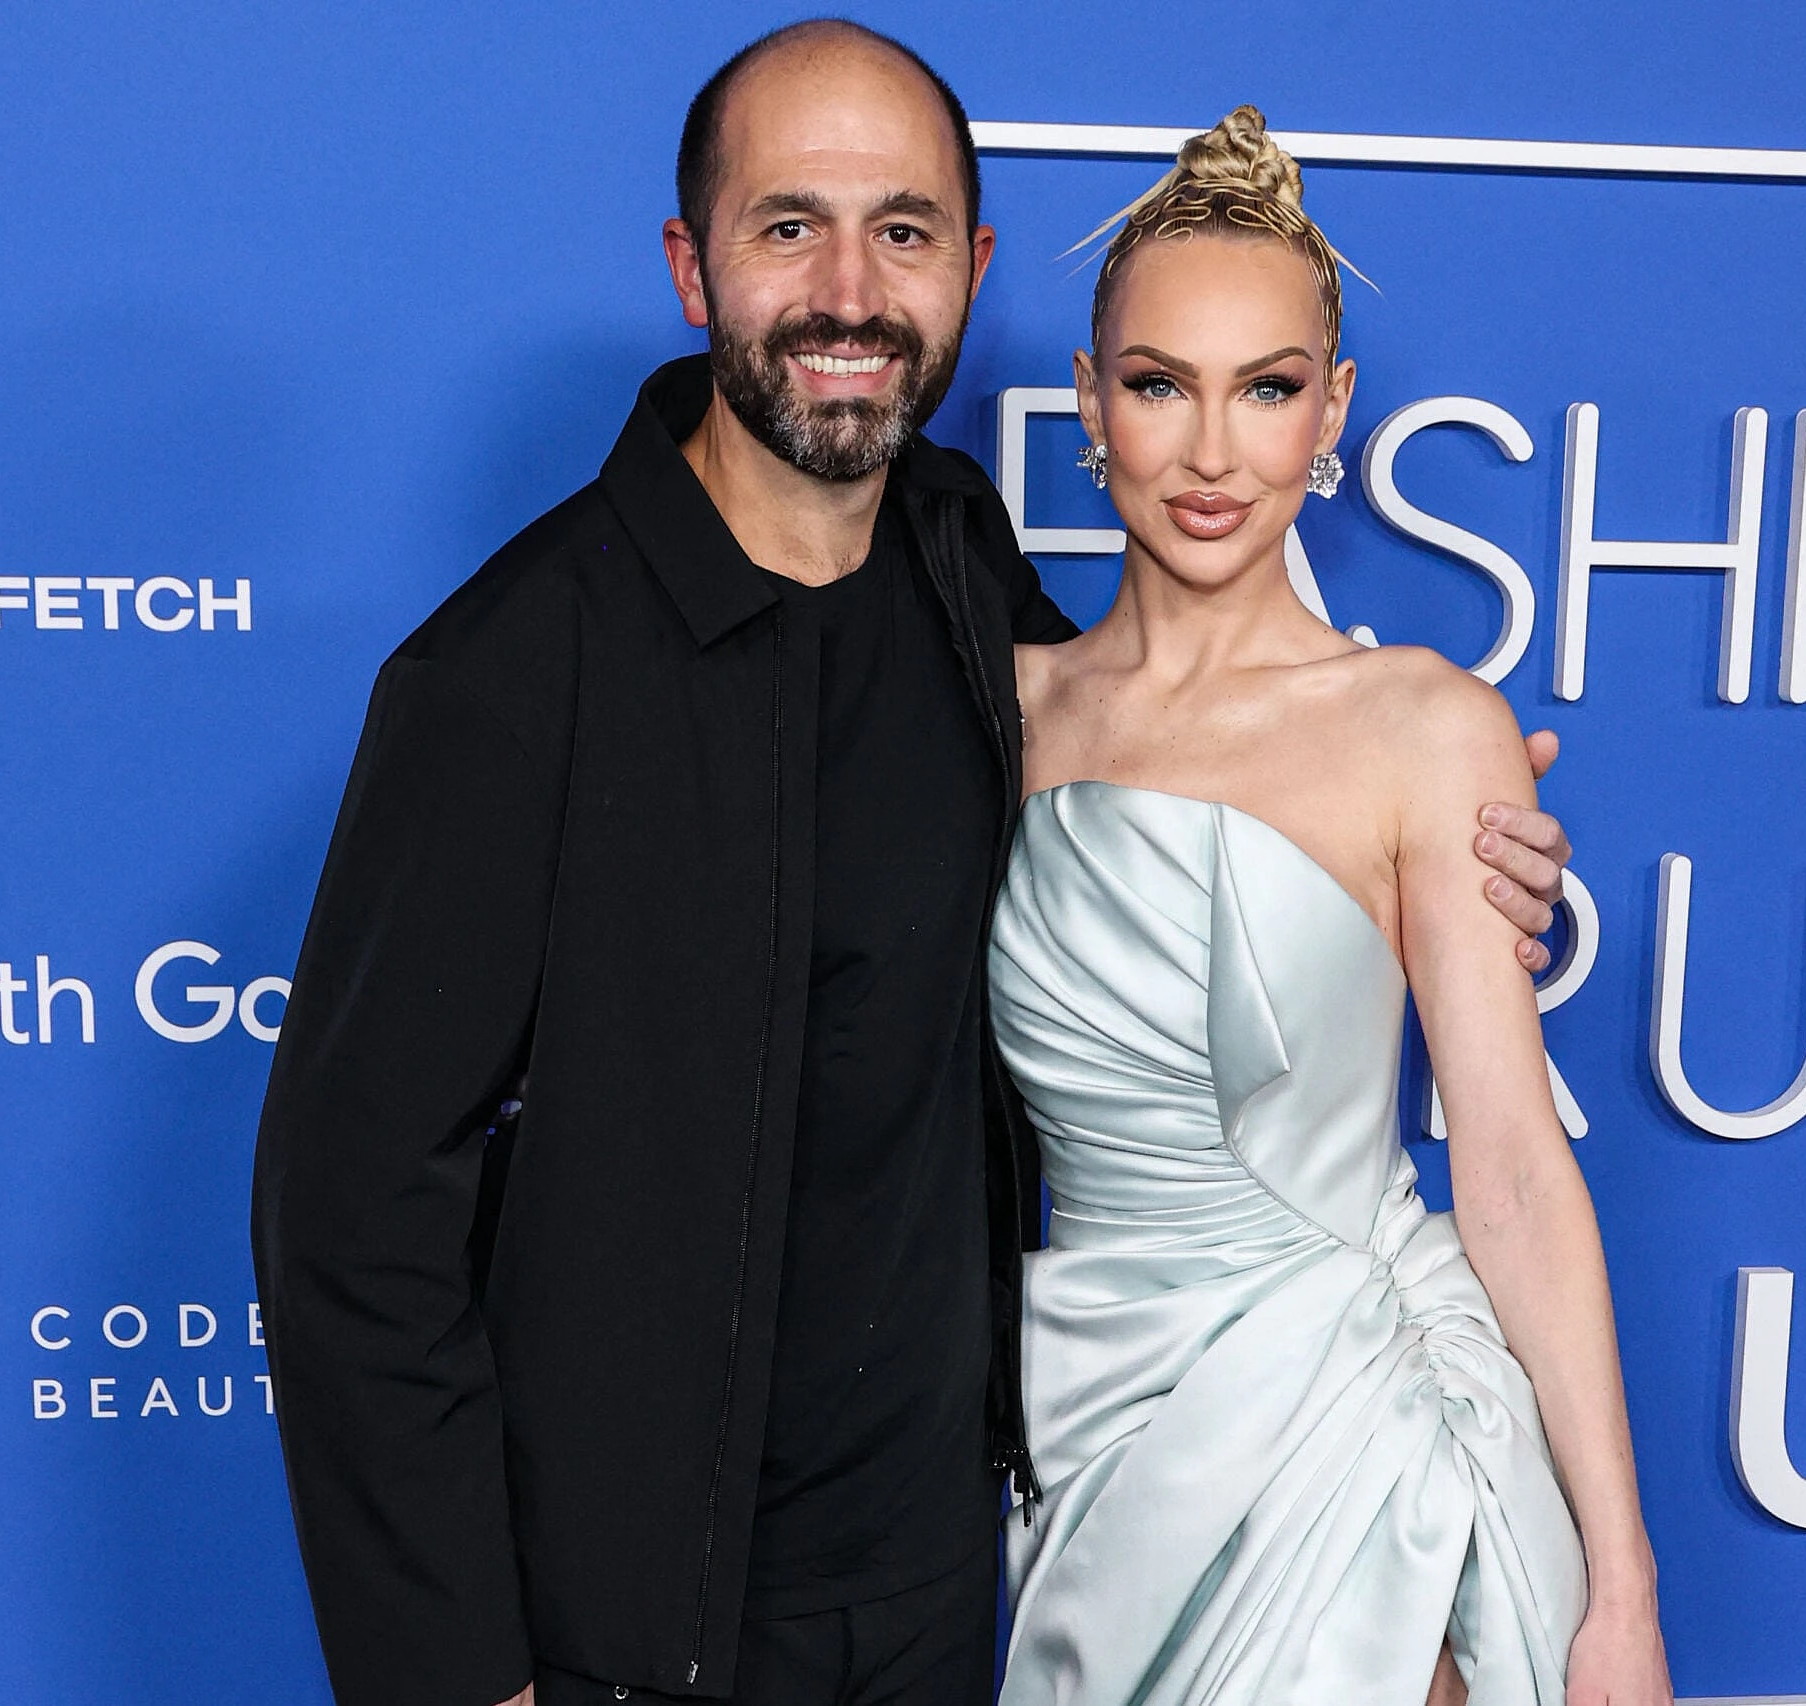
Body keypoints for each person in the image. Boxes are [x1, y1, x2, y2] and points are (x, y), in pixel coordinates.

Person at [250, 26, 1574, 1706]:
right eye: (788, 225)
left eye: (906, 228)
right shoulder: (511, 675)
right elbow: (348, 1214)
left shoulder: (958, 562)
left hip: (973, 1588)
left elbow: (1167, 778)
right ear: (690, 265)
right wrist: (466, 1677)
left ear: (973, 269)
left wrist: (1457, 831)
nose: (852, 292)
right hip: (638, 1638)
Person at [992, 109, 1671, 1706]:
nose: (1213, 453)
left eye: (1268, 388)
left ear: (1335, 408)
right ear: (1090, 403)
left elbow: (1506, 1166)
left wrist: (1622, 1590)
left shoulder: (1428, 724)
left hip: (1362, 1442)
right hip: (1092, 1447)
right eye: (1161, 384)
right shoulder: (993, 713)